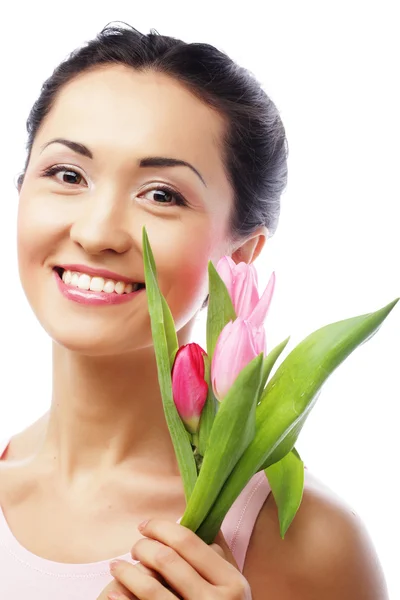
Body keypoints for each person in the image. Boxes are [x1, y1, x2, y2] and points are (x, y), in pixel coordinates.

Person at [0, 21, 388, 599]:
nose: (98, 230)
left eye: (162, 194)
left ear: (243, 252)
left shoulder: (310, 545)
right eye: (67, 174)